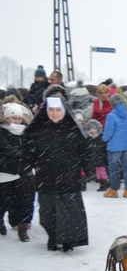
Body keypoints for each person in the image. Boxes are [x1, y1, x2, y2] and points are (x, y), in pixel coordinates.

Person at [24, 87, 90, 252]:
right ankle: (53, 237)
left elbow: (84, 151)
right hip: (45, 177)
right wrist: (26, 167)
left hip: (68, 177)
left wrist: (89, 169)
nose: (54, 113)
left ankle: (69, 240)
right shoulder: (37, 131)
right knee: (48, 212)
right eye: (51, 110)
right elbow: (28, 151)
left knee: (69, 212)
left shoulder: (72, 129)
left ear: (64, 111)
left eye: (58, 110)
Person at [0, 102, 34, 241]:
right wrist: (22, 154)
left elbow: (31, 147)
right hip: (5, 173)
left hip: (24, 172)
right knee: (3, 201)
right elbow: (6, 148)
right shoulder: (2, 131)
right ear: (7, 118)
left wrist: (27, 156)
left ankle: (23, 228)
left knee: (25, 202)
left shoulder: (26, 131)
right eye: (13, 118)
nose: (17, 121)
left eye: (19, 118)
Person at [102, 94, 127, 198]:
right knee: (126, 168)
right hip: (126, 145)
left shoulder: (111, 116)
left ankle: (113, 190)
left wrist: (104, 139)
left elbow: (108, 132)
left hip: (114, 146)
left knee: (113, 169)